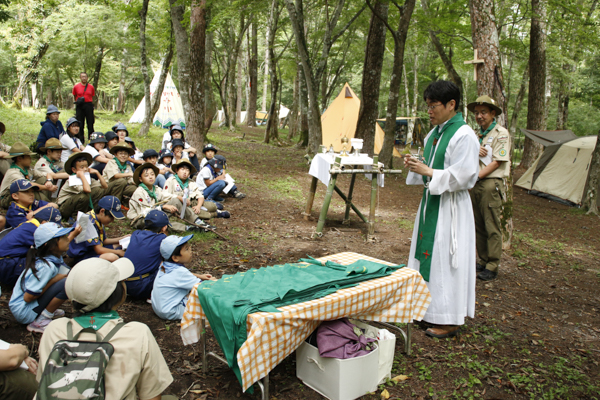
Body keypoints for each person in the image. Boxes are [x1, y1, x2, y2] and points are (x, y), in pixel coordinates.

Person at [403, 80, 479, 339]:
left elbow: (466, 175)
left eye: (433, 105)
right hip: (431, 204)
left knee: (447, 261)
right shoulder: (433, 134)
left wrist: (429, 172)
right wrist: (417, 166)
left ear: (451, 104)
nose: (430, 111)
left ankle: (450, 319)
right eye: (427, 106)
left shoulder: (464, 134)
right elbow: (431, 167)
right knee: (428, 259)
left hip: (451, 207)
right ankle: (428, 311)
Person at [37, 257, 175, 399]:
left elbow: (44, 384)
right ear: (118, 294)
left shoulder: (54, 329)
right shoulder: (137, 334)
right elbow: (151, 395)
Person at [467, 95, 511, 282]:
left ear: (493, 114)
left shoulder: (501, 133)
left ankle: (493, 264)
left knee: (491, 224)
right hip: (475, 183)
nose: (479, 116)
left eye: (483, 112)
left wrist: (476, 177)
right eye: (476, 113)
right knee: (478, 224)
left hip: (490, 183)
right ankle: (483, 259)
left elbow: (497, 162)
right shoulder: (476, 135)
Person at [9, 222, 81, 332]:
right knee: (65, 283)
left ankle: (45, 308)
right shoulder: (45, 267)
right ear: (51, 246)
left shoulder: (50, 256)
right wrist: (54, 280)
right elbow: (28, 297)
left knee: (65, 275)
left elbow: (61, 243)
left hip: (25, 307)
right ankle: (41, 320)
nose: (67, 239)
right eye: (63, 237)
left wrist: (74, 234)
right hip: (24, 311)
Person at [127, 162, 214, 232]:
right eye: (146, 175)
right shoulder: (139, 192)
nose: (150, 177)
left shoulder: (156, 189)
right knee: (160, 221)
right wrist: (163, 206)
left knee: (175, 200)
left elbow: (166, 195)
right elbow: (145, 212)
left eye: (152, 174)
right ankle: (189, 228)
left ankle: (198, 222)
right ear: (140, 179)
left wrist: (179, 197)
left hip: (155, 212)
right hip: (141, 219)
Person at [152, 234, 216, 320]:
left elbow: (180, 276)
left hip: (159, 307)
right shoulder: (180, 273)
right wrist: (214, 281)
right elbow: (202, 287)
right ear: (175, 258)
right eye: (186, 249)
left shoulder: (164, 265)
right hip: (172, 311)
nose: (190, 250)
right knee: (208, 301)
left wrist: (200, 276)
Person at [0, 207, 63, 288]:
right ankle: (33, 288)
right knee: (45, 261)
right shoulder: (35, 230)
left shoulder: (30, 225)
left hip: (7, 262)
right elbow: (54, 249)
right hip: (6, 265)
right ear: (44, 223)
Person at [124, 210, 170, 300]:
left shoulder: (136, 234)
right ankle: (152, 294)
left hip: (124, 284)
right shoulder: (162, 239)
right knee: (165, 266)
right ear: (164, 228)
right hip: (141, 286)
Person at [67, 196, 128, 263]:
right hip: (81, 256)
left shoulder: (97, 219)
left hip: (91, 250)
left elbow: (103, 241)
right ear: (102, 211)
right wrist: (118, 252)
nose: (112, 220)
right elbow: (99, 250)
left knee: (120, 245)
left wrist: (122, 239)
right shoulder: (88, 222)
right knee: (113, 257)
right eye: (111, 217)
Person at [163, 158, 228, 221]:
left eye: (187, 170)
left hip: (192, 202)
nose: (185, 172)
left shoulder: (191, 182)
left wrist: (198, 206)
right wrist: (179, 198)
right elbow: (164, 195)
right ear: (177, 170)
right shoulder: (171, 180)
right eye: (182, 169)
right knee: (190, 212)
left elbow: (200, 196)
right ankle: (214, 214)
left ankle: (210, 210)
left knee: (212, 206)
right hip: (179, 205)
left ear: (189, 173)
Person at [57, 152, 114, 223]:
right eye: (82, 167)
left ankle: (90, 213)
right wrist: (81, 175)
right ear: (74, 170)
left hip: (77, 204)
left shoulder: (87, 178)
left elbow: (105, 186)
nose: (85, 169)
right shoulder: (72, 180)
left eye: (86, 166)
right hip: (65, 208)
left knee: (98, 190)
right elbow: (87, 190)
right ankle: (74, 217)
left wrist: (97, 173)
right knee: (84, 196)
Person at [0, 142, 56, 208]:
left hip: (21, 193)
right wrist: (46, 187)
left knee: (43, 179)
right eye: (28, 156)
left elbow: (47, 174)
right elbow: (28, 185)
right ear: (19, 159)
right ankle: (48, 205)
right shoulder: (13, 172)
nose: (30, 159)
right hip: (7, 199)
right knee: (32, 192)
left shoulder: (27, 169)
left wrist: (49, 181)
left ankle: (47, 204)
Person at [72, 72, 95, 141]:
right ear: (80, 78)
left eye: (85, 76)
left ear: (87, 78)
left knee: (90, 123)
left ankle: (91, 139)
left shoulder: (91, 87)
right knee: (80, 123)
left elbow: (92, 96)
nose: (84, 78)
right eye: (82, 77)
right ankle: (80, 139)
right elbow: (74, 96)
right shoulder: (76, 86)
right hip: (80, 106)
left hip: (88, 105)